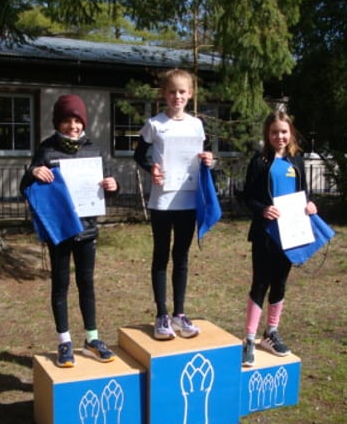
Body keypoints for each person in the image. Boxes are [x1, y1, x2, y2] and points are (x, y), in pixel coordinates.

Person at [21, 94, 118, 367]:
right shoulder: (47, 150)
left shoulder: (94, 150)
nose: (72, 126)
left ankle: (92, 339)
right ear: (58, 123)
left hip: (87, 230)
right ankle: (64, 341)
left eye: (77, 121)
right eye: (66, 121)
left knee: (86, 283)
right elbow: (26, 187)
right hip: (60, 230)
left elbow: (106, 187)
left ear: (83, 122)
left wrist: (113, 186)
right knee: (60, 284)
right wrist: (33, 173)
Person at [134, 68, 213, 340]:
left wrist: (209, 160)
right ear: (163, 94)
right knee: (161, 256)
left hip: (188, 199)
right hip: (162, 201)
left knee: (181, 257)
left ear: (190, 94)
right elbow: (139, 155)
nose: (177, 96)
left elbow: (203, 155)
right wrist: (151, 168)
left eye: (182, 92)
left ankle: (179, 314)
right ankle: (161, 315)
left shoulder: (196, 125)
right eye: (172, 92)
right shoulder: (155, 124)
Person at [241, 110, 317, 367]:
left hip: (290, 234)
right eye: (274, 132)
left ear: (290, 133)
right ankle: (249, 338)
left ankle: (271, 332)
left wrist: (309, 205)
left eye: (284, 131)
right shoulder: (260, 161)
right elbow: (247, 196)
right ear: (267, 134)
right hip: (265, 233)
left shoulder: (297, 161)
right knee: (260, 283)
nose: (279, 136)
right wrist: (262, 209)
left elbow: (303, 194)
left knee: (280, 282)